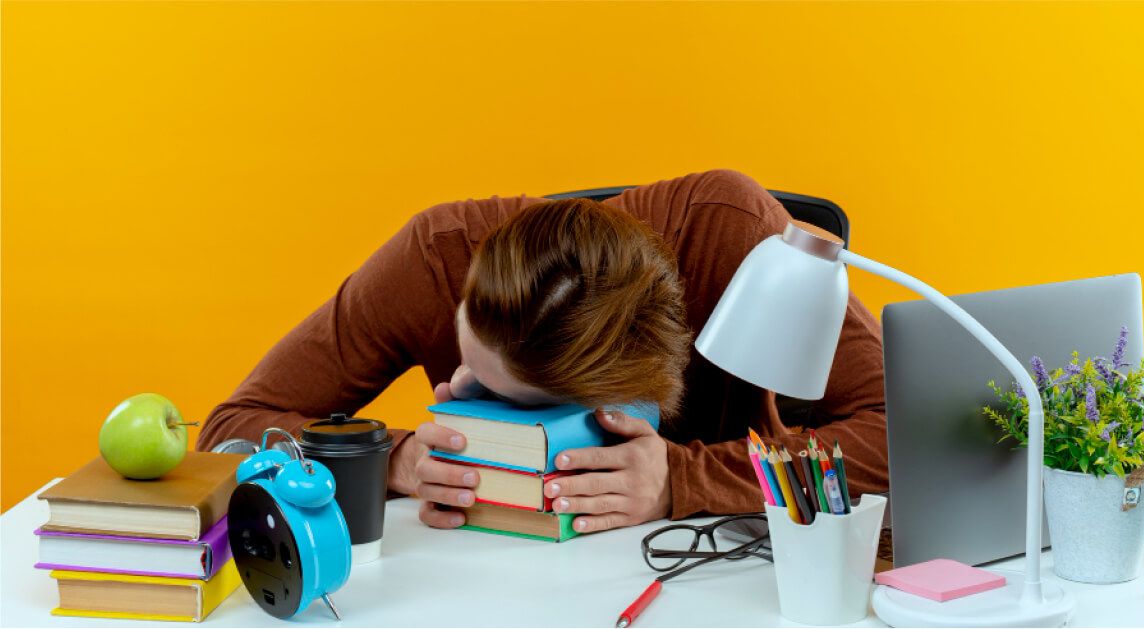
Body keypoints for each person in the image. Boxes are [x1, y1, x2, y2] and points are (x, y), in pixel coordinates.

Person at [197, 169, 888, 534]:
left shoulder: (734, 240)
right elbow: (231, 428)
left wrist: (683, 478)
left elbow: (898, 437)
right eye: (479, 384)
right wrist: (390, 459)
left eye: (525, 408)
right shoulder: (433, 261)